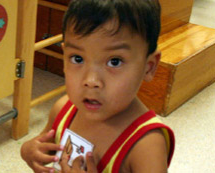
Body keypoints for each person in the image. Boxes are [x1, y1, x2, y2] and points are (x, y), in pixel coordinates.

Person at [20, 0, 175, 172]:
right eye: (77, 58)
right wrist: (29, 151)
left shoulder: (146, 145)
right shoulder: (63, 109)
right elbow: (44, 146)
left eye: (114, 62)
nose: (91, 80)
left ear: (149, 67)